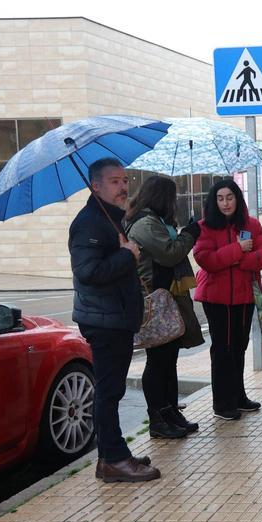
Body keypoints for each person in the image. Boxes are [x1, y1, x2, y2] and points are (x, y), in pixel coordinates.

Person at [69, 157, 159, 483]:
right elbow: (88, 272)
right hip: (104, 320)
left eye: (124, 180)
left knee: (112, 390)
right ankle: (114, 459)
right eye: (114, 181)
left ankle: (111, 455)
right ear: (96, 186)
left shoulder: (109, 218)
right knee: (108, 392)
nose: (123, 187)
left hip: (115, 317)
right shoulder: (89, 223)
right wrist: (127, 254)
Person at [123, 175, 204, 439]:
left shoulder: (155, 220)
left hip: (167, 298)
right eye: (173, 196)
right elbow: (170, 253)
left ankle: (170, 412)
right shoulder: (145, 223)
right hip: (156, 301)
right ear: (161, 197)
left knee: (169, 359)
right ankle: (157, 419)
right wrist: (189, 235)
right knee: (158, 361)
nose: (175, 201)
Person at [193, 179, 262, 420]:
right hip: (217, 298)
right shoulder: (205, 227)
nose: (225, 203)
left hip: (245, 296)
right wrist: (238, 251)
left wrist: (243, 260)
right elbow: (206, 259)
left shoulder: (251, 224)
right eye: (220, 198)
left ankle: (238, 396)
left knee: (239, 347)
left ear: (237, 199)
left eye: (229, 197)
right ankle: (222, 403)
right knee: (222, 350)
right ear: (214, 201)